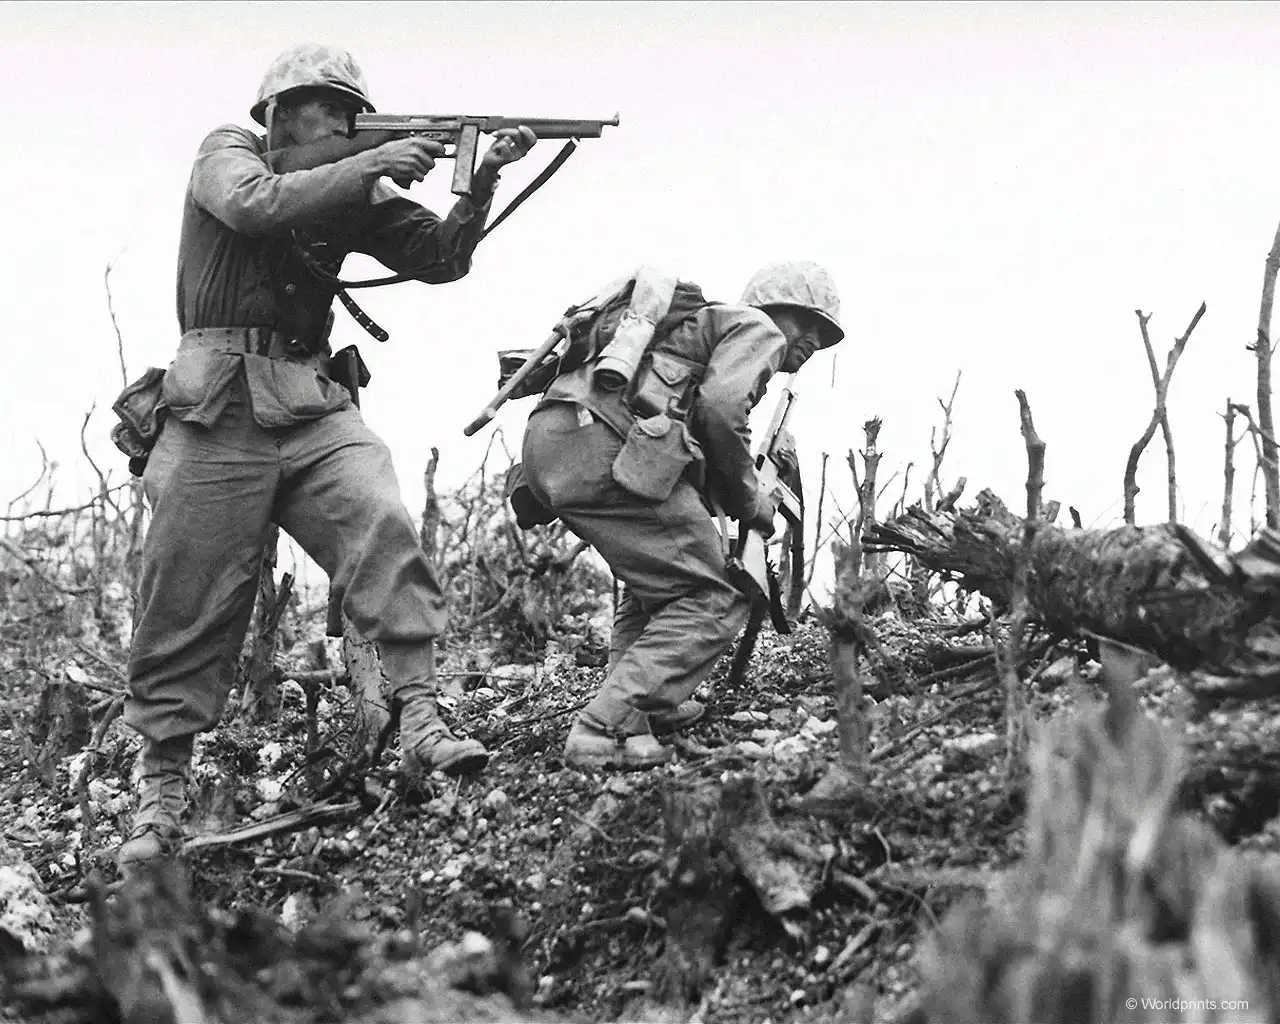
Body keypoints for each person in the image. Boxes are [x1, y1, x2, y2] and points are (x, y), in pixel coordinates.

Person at [116, 44, 537, 870]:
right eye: (328, 107)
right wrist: (373, 161)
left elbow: (439, 258)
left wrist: (481, 179)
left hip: (309, 402)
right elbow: (253, 204)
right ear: (278, 111)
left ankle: (420, 717)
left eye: (354, 110)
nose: (346, 121)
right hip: (215, 410)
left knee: (380, 519)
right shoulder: (228, 150)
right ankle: (161, 794)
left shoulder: (352, 184)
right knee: (184, 595)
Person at [517, 262, 844, 768]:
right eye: (809, 323)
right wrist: (750, 500)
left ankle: (643, 708)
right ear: (775, 308)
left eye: (824, 336)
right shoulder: (757, 327)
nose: (814, 342)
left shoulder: (694, 335)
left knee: (660, 581)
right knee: (714, 593)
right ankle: (607, 727)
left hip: (552, 443)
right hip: (604, 444)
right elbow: (721, 411)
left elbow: (692, 435)